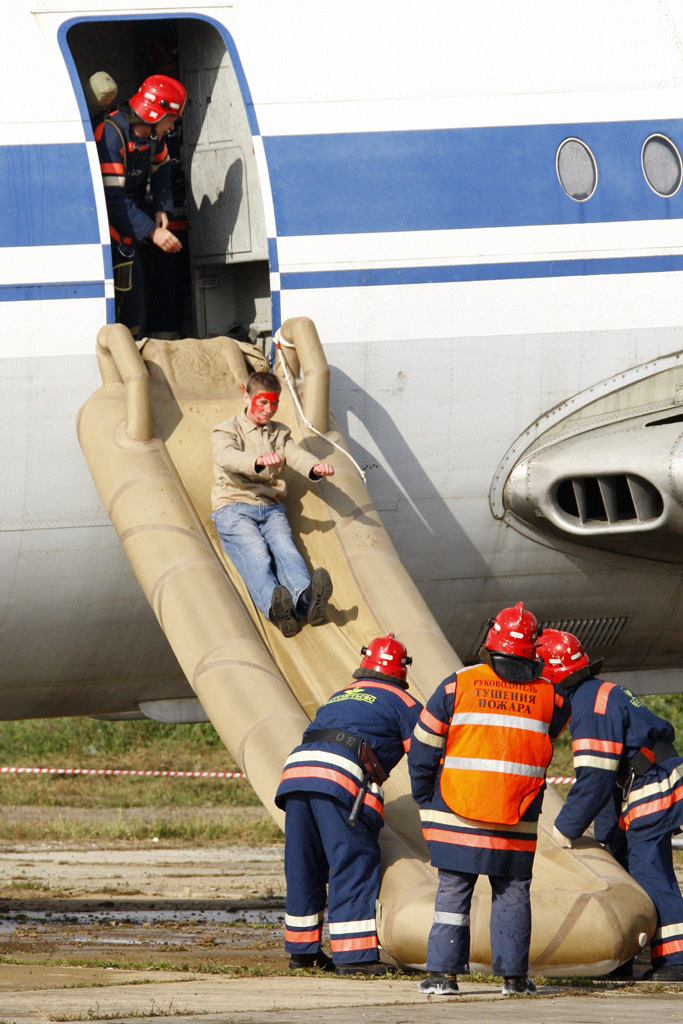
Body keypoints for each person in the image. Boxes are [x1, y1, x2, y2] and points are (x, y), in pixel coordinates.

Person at [408, 602, 569, 997]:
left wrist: (425, 797)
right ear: (533, 650)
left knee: (453, 893)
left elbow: (422, 748)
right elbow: (545, 737)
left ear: (490, 641)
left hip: (457, 810)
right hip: (518, 815)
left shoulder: (455, 685)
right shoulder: (553, 697)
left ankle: (443, 977)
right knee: (513, 894)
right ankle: (515, 979)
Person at [275, 634, 423, 974]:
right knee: (353, 859)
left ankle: (302, 951)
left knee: (304, 863)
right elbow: (424, 755)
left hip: (296, 771)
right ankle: (355, 958)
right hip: (340, 775)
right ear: (402, 670)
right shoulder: (404, 702)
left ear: (365, 663)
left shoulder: (340, 694)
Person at [541, 629, 683, 982]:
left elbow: (595, 780)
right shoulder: (597, 693)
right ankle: (630, 957)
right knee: (631, 864)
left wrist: (565, 829)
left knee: (648, 869)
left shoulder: (589, 706)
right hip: (652, 776)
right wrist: (606, 839)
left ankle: (677, 960)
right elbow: (607, 782)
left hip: (653, 783)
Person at [211, 371, 334, 637]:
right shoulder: (226, 429)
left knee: (285, 548)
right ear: (247, 397)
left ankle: (304, 600)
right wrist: (255, 461)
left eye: (275, 404)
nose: (269, 410)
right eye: (263, 403)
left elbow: (294, 453)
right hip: (233, 506)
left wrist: (315, 466)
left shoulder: (278, 433)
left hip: (269, 507)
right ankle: (276, 608)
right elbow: (224, 455)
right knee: (256, 550)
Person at [94, 74, 186, 338]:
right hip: (112, 227)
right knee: (126, 298)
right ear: (155, 113)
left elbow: (163, 170)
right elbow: (111, 199)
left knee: (136, 297)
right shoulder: (110, 134)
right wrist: (152, 232)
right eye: (170, 119)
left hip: (131, 224)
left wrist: (161, 208)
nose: (171, 127)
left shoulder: (153, 138)